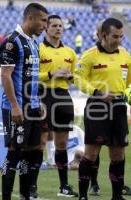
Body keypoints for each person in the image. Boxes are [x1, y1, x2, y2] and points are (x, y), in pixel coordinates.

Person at [75, 18, 131, 200]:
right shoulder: (90, 55)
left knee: (118, 154)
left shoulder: (126, 55)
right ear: (103, 35)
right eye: (115, 36)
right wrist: (96, 92)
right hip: (97, 107)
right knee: (91, 153)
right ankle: (82, 196)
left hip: (119, 107)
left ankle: (117, 196)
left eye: (121, 36)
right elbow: (78, 78)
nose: (119, 40)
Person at [30, 14, 84, 198]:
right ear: (46, 28)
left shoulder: (69, 52)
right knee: (40, 143)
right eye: (54, 25)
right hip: (43, 96)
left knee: (62, 144)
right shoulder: (37, 49)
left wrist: (70, 77)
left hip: (63, 97)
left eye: (60, 25)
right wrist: (52, 73)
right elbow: (31, 76)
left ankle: (64, 187)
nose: (58, 28)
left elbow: (77, 77)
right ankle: (32, 186)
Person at [0, 3, 48, 200]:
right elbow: (5, 76)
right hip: (17, 108)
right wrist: (15, 106)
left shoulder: (34, 43)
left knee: (34, 151)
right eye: (43, 20)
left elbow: (31, 76)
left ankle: (25, 195)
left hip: (33, 106)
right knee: (15, 152)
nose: (45, 24)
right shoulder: (12, 42)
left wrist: (38, 101)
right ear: (30, 19)